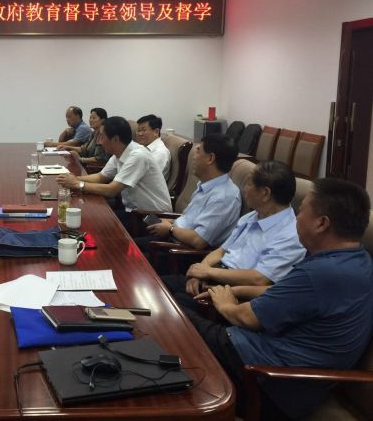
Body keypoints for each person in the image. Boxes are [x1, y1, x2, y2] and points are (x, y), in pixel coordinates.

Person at [186, 178, 372, 420]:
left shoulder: (323, 273)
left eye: (301, 211)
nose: (296, 218)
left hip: (267, 381)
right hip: (271, 363)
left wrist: (226, 304)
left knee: (175, 322)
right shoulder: (357, 261)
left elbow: (247, 318)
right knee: (184, 308)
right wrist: (236, 290)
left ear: (321, 223)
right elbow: (283, 294)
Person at [162, 161, 306, 311]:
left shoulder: (291, 234)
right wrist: (200, 273)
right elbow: (221, 251)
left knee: (169, 307)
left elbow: (259, 279)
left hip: (233, 293)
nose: (244, 189)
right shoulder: (252, 216)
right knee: (158, 286)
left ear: (265, 193)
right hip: (214, 275)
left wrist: (209, 272)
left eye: (249, 184)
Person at [135, 133, 241, 257]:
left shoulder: (224, 197)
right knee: (126, 244)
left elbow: (198, 240)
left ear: (210, 158)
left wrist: (170, 229)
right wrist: (169, 222)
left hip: (182, 253)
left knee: (128, 257)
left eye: (198, 151)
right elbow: (190, 219)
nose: (193, 158)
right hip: (173, 237)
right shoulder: (206, 184)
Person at [56, 116, 172, 213]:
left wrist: (77, 184)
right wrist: (72, 179)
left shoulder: (138, 155)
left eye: (102, 137)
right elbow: (100, 177)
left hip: (152, 217)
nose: (99, 142)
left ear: (115, 139)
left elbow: (111, 190)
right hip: (130, 209)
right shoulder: (119, 152)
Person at [135, 114, 170, 180]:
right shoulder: (143, 147)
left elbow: (146, 178)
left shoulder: (160, 153)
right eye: (138, 130)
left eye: (143, 130)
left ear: (156, 132)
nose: (140, 134)